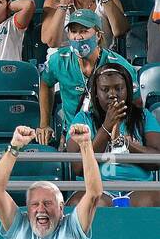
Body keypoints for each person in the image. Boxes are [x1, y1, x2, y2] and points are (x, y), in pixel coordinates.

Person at [39, 8, 136, 145]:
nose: (78, 37)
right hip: (74, 135)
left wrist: (127, 132)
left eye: (84, 31)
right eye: (73, 31)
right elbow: (45, 83)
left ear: (98, 35)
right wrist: (44, 123)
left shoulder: (118, 64)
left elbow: (136, 102)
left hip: (111, 133)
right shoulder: (59, 60)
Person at [72, 64, 160, 207]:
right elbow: (78, 167)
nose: (112, 94)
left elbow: (157, 160)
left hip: (139, 188)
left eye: (119, 88)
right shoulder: (83, 119)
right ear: (95, 92)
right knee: (89, 202)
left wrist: (125, 143)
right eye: (105, 89)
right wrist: (106, 128)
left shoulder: (143, 116)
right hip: (98, 188)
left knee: (152, 200)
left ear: (128, 90)